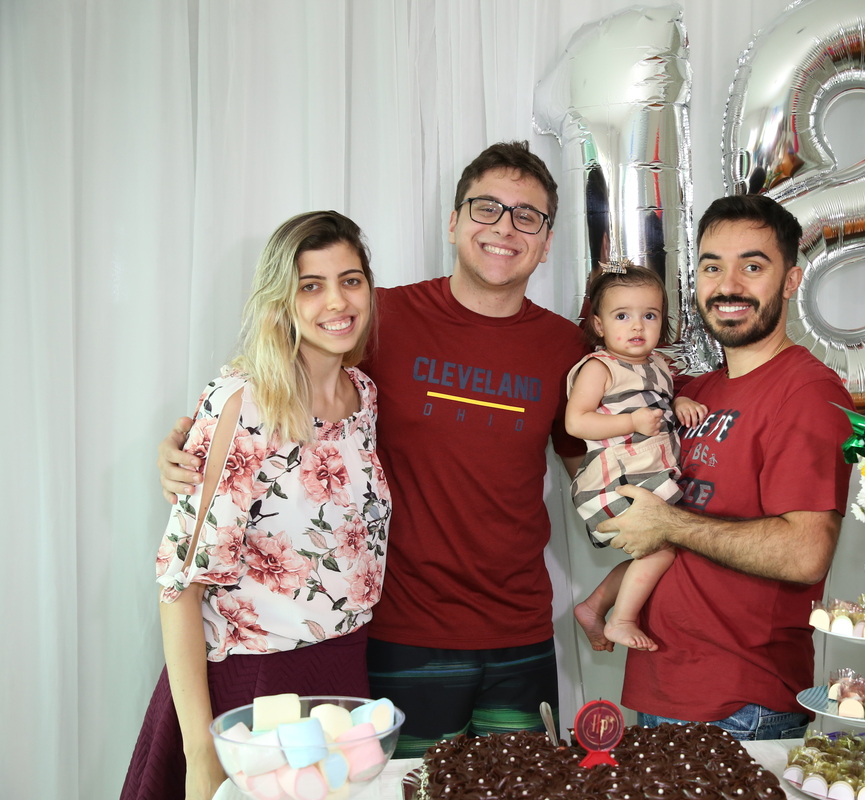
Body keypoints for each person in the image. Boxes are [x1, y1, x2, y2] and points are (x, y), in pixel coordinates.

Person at [157, 142, 589, 758]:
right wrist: (184, 448)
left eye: (527, 215)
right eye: (486, 207)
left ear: (546, 242)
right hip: (399, 633)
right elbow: (268, 387)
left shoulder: (565, 346)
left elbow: (588, 469)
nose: (504, 227)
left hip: (520, 630)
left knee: (520, 788)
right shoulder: (376, 316)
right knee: (402, 789)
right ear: (453, 221)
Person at [124, 210, 391, 800]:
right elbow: (179, 584)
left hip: (344, 674)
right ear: (280, 301)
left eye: (350, 280)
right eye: (310, 285)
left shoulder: (364, 396)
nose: (336, 301)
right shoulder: (243, 403)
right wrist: (202, 754)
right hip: (252, 685)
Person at [598, 194, 854, 741]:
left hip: (741, 706)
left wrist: (667, 524)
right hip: (661, 683)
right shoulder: (698, 391)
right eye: (712, 267)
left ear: (791, 281)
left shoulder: (808, 393)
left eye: (752, 267)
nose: (728, 285)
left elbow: (806, 553)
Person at [565, 261, 707, 652]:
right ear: (599, 325)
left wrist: (680, 402)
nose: (637, 326)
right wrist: (630, 421)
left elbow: (657, 405)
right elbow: (576, 422)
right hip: (616, 477)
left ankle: (594, 606)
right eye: (622, 316)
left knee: (658, 548)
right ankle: (620, 620)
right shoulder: (600, 367)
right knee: (663, 547)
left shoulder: (658, 365)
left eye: (649, 315)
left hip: (645, 472)